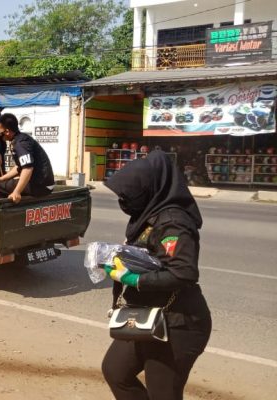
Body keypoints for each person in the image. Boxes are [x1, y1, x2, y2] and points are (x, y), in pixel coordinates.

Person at [102, 150, 211, 400]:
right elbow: (151, 255)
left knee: (162, 393)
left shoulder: (174, 222)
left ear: (149, 188)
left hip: (178, 323)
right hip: (147, 314)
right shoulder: (149, 217)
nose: (124, 201)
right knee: (116, 371)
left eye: (129, 195)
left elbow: (183, 273)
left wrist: (133, 279)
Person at [0, 113, 54, 203]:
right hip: (43, 183)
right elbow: (20, 166)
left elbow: (27, 169)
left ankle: (5, 215)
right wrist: (2, 178)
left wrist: (16, 192)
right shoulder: (21, 139)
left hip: (41, 186)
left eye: (0, 133)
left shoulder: (20, 144)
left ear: (7, 131)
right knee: (3, 183)